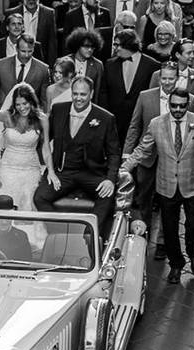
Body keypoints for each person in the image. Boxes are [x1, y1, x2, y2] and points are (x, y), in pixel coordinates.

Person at [122, 88, 194, 284]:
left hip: (193, 184)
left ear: (187, 104)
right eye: (174, 106)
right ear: (168, 104)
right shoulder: (156, 124)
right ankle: (176, 265)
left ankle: (193, 252)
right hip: (166, 185)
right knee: (169, 229)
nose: (178, 109)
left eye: (182, 106)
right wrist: (124, 168)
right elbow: (142, 150)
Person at [33, 75, 121, 236]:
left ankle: (90, 234)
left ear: (91, 94)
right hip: (62, 171)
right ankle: (61, 233)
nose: (78, 98)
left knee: (107, 197)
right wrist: (49, 171)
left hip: (91, 172)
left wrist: (110, 179)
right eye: (75, 94)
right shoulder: (58, 109)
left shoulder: (106, 118)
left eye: (83, 94)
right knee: (40, 197)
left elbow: (114, 153)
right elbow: (45, 140)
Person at [122, 63, 181, 252]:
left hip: (172, 160)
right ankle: (142, 236)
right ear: (159, 78)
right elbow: (134, 125)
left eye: (171, 78)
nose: (167, 82)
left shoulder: (187, 99)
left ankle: (164, 241)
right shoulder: (145, 96)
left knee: (168, 202)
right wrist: (127, 153)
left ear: (177, 78)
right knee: (143, 199)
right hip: (146, 157)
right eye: (164, 78)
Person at [0, 78, 54, 211]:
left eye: (25, 103)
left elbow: (46, 148)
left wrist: (51, 171)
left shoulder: (42, 119)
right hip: (8, 168)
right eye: (18, 105)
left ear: (32, 101)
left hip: (30, 169)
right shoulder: (8, 116)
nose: (22, 108)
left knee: (28, 201)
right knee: (6, 201)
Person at [98, 29, 162, 144]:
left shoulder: (152, 65)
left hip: (140, 121)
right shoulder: (109, 64)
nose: (115, 48)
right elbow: (104, 92)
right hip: (115, 120)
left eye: (118, 45)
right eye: (114, 44)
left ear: (129, 44)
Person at [149, 39, 194, 116]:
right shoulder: (157, 75)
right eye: (189, 53)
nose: (193, 56)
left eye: (193, 52)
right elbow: (151, 100)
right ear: (178, 54)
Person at [0, 35, 51, 109]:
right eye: (23, 51)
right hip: (2, 116)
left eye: (30, 51)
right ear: (16, 49)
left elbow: (44, 101)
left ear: (33, 49)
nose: (26, 55)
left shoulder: (43, 69)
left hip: (29, 117)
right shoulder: (1, 65)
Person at [0, 0, 59, 65]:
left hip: (39, 61)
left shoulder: (49, 13)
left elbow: (52, 42)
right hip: (15, 59)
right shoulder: (11, 12)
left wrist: (51, 66)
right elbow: (3, 37)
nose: (31, 0)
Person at [65, 28, 104, 93]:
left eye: (92, 47)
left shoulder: (98, 65)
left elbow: (98, 91)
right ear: (77, 45)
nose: (90, 50)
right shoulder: (65, 62)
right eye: (86, 46)